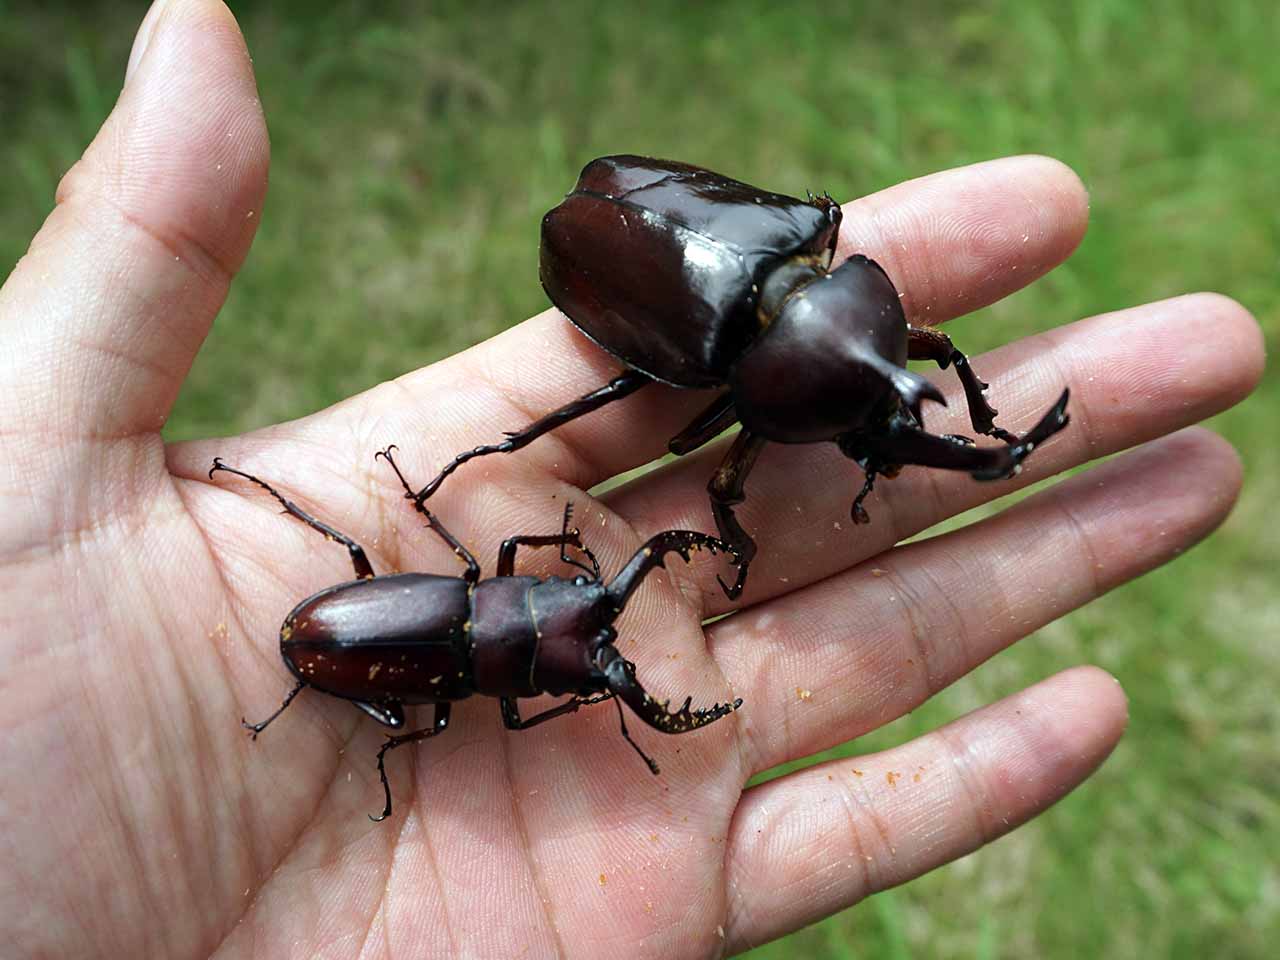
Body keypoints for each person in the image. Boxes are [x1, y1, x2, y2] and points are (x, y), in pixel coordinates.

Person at [0, 1, 1262, 956]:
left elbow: (802, 414)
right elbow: (735, 467)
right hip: (591, 362)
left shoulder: (808, 252)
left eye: (878, 416)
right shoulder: (811, 264)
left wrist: (902, 416)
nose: (895, 410)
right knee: (766, 402)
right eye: (884, 406)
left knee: (862, 388)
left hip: (487, 557)